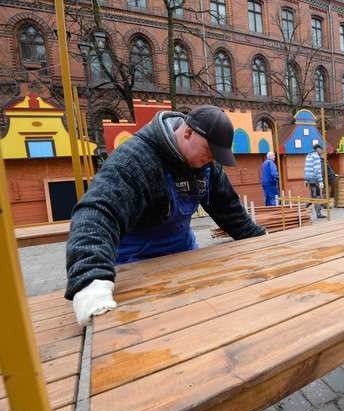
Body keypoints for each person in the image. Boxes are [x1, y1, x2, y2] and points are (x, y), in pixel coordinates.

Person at [65, 106, 266, 326]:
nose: (211, 160)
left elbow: (229, 209)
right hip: (135, 266)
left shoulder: (207, 166)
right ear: (188, 133)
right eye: (209, 151)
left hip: (184, 257)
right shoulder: (135, 160)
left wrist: (261, 241)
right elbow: (96, 213)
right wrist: (91, 277)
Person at [304, 143, 326, 218]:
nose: (322, 152)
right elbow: (317, 170)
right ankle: (318, 214)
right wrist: (320, 181)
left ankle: (305, 207)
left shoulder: (308, 156)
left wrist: (306, 179)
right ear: (318, 149)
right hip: (315, 179)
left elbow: (306, 168)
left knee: (313, 195)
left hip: (309, 179)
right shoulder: (316, 157)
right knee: (317, 196)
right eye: (321, 150)